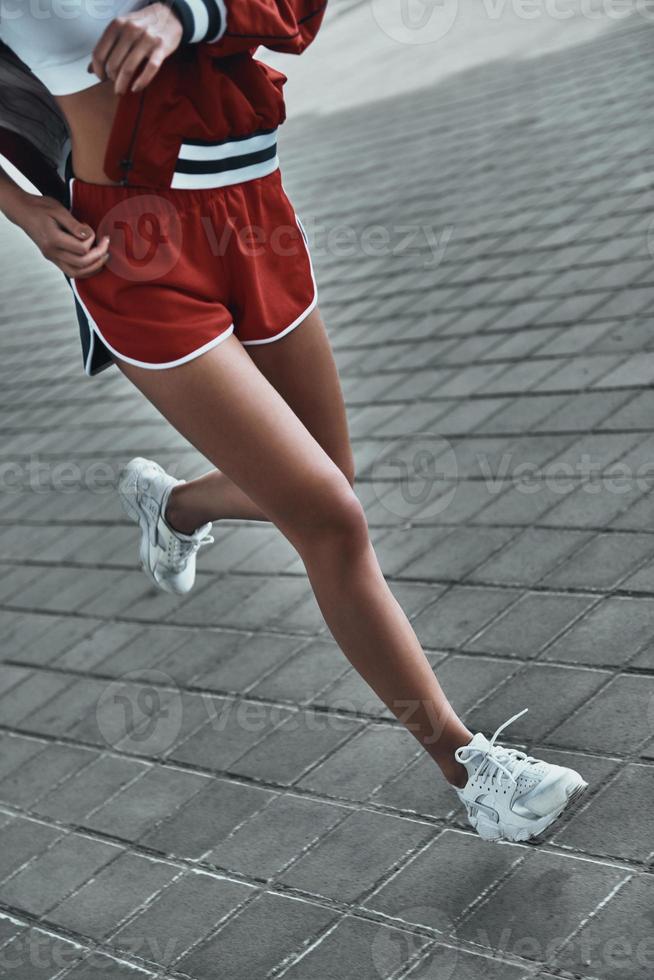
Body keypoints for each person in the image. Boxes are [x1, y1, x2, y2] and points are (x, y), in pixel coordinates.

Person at [0, 0, 587, 843]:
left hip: (256, 215)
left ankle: (179, 508)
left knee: (329, 476)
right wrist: (21, 209)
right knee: (330, 516)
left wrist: (183, 15)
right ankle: (474, 775)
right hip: (131, 247)